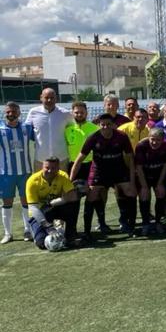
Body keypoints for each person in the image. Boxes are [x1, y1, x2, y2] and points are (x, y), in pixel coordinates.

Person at [70, 114, 138, 237]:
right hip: (99, 171)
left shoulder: (121, 136)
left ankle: (131, 226)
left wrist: (132, 182)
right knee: (92, 195)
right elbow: (79, 160)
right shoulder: (93, 138)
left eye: (108, 124)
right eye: (103, 125)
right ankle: (87, 231)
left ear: (113, 125)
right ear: (99, 125)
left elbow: (130, 159)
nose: (105, 127)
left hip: (118, 169)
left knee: (130, 191)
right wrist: (70, 181)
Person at [64, 101, 101, 236]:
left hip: (91, 166)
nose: (79, 114)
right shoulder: (67, 129)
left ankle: (96, 226)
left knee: (93, 196)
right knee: (74, 198)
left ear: (86, 112)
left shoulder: (95, 129)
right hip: (73, 166)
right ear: (72, 112)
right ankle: (72, 229)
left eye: (82, 112)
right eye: (76, 112)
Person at [25, 157, 79, 250]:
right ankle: (51, 232)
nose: (50, 170)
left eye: (53, 168)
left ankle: (70, 235)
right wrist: (48, 226)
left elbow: (73, 196)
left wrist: (54, 202)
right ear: (42, 166)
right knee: (41, 243)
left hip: (54, 208)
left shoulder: (63, 176)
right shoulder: (32, 181)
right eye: (47, 167)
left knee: (73, 204)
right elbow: (33, 208)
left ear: (58, 168)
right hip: (39, 213)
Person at [0, 102, 35, 244]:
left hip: (25, 172)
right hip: (5, 174)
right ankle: (8, 233)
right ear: (5, 113)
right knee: (6, 202)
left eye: (14, 111)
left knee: (25, 201)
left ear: (19, 113)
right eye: (8, 112)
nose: (11, 114)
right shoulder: (0, 129)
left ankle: (28, 229)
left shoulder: (27, 128)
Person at [135, 128, 166, 235]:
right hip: (144, 175)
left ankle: (158, 222)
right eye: (152, 139)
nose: (154, 142)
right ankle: (146, 223)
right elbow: (139, 167)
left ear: (163, 139)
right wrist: (144, 186)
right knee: (144, 195)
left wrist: (160, 183)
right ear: (148, 137)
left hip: (158, 174)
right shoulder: (141, 146)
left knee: (161, 192)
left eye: (158, 140)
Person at [26, 88, 72, 170]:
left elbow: (74, 130)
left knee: (61, 183)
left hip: (61, 159)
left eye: (52, 97)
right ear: (41, 98)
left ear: (56, 98)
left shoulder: (65, 114)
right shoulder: (33, 112)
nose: (49, 100)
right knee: (40, 183)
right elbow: (26, 129)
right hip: (40, 159)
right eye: (46, 97)